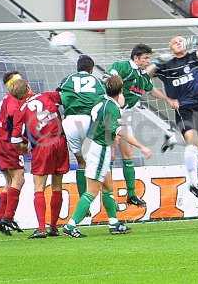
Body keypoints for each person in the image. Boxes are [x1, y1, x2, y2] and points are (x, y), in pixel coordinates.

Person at [63, 75, 152, 238]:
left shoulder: (100, 100)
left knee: (108, 187)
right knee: (92, 191)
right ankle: (71, 225)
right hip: (99, 149)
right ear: (121, 91)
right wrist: (142, 147)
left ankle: (113, 222)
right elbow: (121, 132)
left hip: (91, 144)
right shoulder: (112, 108)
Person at [147, 35, 198, 201]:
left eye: (180, 41)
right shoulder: (166, 65)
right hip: (183, 108)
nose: (178, 43)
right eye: (174, 42)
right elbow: (144, 77)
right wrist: (156, 62)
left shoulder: (194, 58)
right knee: (191, 144)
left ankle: (173, 139)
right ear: (170, 47)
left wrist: (193, 41)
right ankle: (194, 184)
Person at [107, 43, 176, 207]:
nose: (147, 61)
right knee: (110, 154)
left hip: (125, 115)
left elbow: (152, 91)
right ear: (136, 58)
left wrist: (168, 100)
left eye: (149, 58)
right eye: (145, 58)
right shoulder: (122, 66)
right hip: (111, 113)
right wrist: (119, 94)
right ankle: (106, 196)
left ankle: (131, 195)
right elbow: (110, 80)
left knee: (127, 154)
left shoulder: (143, 77)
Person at [9, 79, 69, 238]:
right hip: (60, 140)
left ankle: (41, 228)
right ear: (28, 87)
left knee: (39, 187)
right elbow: (65, 96)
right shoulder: (47, 96)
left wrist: (25, 149)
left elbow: (15, 141)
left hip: (42, 145)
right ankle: (54, 227)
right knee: (57, 185)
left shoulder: (20, 111)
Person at [58, 55, 106, 201]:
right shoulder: (97, 81)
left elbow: (59, 96)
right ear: (91, 69)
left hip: (70, 121)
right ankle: (107, 198)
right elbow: (103, 101)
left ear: (77, 67)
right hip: (89, 120)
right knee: (99, 160)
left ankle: (82, 201)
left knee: (81, 162)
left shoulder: (67, 79)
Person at [0, 71, 26, 235]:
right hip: (8, 143)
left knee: (10, 181)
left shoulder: (4, 100)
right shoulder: (13, 101)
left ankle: (0, 217)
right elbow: (14, 117)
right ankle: (8, 216)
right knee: (19, 178)